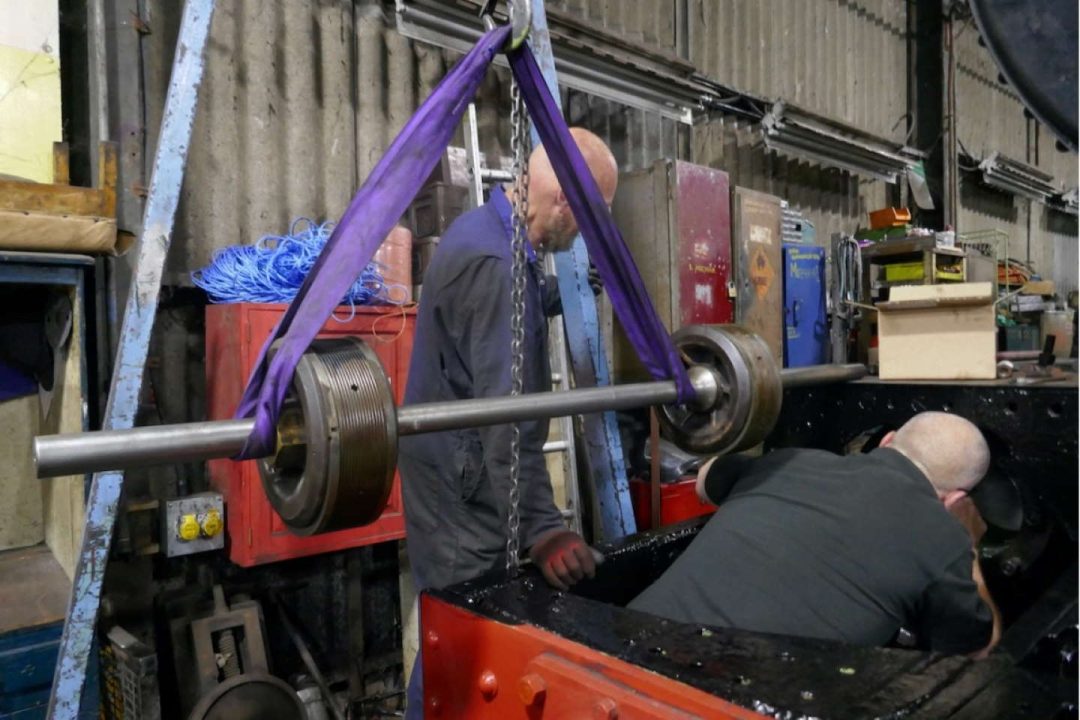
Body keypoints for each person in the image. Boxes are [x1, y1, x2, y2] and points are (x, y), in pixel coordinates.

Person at [399, 128, 619, 716]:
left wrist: (549, 296)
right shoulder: (495, 264)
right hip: (460, 481)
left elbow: (504, 314)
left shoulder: (490, 234)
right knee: (460, 628)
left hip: (452, 464)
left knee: (459, 618)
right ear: (566, 203)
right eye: (591, 220)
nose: (586, 238)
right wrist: (544, 529)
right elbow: (503, 417)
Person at [628, 411, 1002, 657]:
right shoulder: (943, 541)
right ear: (956, 498)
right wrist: (967, 544)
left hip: (619, 652)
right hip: (726, 700)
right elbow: (979, 649)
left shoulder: (791, 461)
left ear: (888, 440)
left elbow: (704, 480)